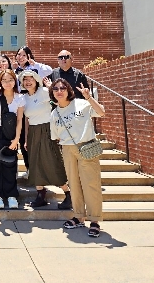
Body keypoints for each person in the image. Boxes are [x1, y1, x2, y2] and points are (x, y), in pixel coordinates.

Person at [50, 78, 105, 238]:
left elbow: (101, 112)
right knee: (74, 184)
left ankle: (94, 220)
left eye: (62, 88)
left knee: (91, 184)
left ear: (68, 90)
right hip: (68, 149)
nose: (59, 91)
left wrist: (89, 97)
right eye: (55, 89)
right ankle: (79, 215)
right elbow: (56, 136)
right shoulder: (54, 113)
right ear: (52, 93)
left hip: (86, 147)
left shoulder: (82, 104)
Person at [19, 70, 71, 210]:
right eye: (25, 79)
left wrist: (50, 88)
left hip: (48, 130)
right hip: (33, 133)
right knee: (35, 164)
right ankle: (40, 194)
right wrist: (26, 138)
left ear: (36, 80)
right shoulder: (24, 98)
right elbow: (27, 120)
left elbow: (59, 101)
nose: (28, 82)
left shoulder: (43, 91)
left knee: (52, 162)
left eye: (31, 79)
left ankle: (68, 194)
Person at [0, 69, 25, 209]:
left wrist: (16, 139)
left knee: (10, 163)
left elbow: (20, 120)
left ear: (15, 81)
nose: (8, 83)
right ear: (0, 82)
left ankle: (11, 194)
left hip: (10, 133)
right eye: (4, 80)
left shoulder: (19, 97)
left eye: (10, 80)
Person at [13, 46, 52, 177]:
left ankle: (41, 169)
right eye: (19, 55)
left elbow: (49, 70)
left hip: (35, 102)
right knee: (24, 138)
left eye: (24, 55)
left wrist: (35, 64)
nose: (21, 57)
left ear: (29, 56)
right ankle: (29, 168)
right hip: (21, 103)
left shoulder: (35, 68)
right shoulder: (15, 71)